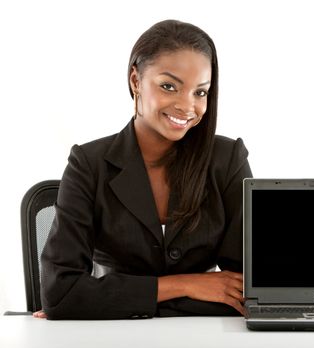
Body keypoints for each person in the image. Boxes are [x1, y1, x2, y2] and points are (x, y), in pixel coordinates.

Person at [34, 19, 252, 320]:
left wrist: (103, 300)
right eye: (169, 86)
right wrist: (187, 285)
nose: (187, 106)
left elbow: (245, 292)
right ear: (136, 80)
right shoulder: (89, 164)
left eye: (200, 92)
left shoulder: (227, 160)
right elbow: (62, 293)